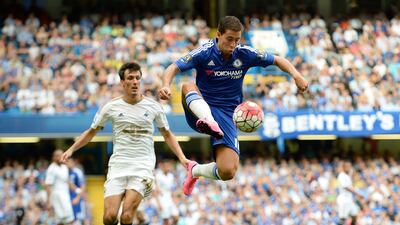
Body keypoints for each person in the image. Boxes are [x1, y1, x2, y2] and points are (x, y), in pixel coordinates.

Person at [158, 16, 308, 196]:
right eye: (229, 39)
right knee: (187, 86)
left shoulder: (245, 53)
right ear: (218, 35)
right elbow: (173, 67)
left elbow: (277, 60)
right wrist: (166, 85)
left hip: (228, 115)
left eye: (237, 40)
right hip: (199, 108)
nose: (233, 44)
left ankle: (194, 170)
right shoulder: (204, 52)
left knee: (228, 171)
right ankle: (209, 120)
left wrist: (297, 75)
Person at [61, 62, 190, 225]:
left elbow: (167, 134)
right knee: (109, 217)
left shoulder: (153, 107)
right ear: (122, 82)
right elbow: (91, 131)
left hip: (142, 166)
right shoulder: (111, 107)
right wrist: (72, 149)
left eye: (138, 78)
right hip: (118, 166)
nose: (135, 81)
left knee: (127, 216)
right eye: (130, 78)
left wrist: (182, 158)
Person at [45, 149, 75, 225]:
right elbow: (48, 185)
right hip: (57, 196)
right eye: (58, 155)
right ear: (54, 157)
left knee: (62, 220)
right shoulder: (51, 168)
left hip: (65, 195)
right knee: (69, 219)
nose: (60, 157)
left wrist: (77, 190)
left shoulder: (65, 167)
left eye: (61, 155)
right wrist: (48, 201)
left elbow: (68, 181)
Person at [154, 160, 179, 225]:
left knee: (176, 218)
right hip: (162, 199)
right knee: (166, 220)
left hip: (170, 198)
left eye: (169, 166)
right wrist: (158, 202)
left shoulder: (171, 176)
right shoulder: (158, 175)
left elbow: (172, 189)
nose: (168, 168)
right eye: (167, 166)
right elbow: (155, 190)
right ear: (163, 167)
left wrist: (174, 199)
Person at [67, 158, 86, 224]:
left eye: (68, 162)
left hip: (77, 198)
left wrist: (78, 198)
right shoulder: (65, 172)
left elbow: (82, 186)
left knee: (79, 219)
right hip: (68, 198)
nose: (67, 164)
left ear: (73, 163)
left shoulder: (77, 172)